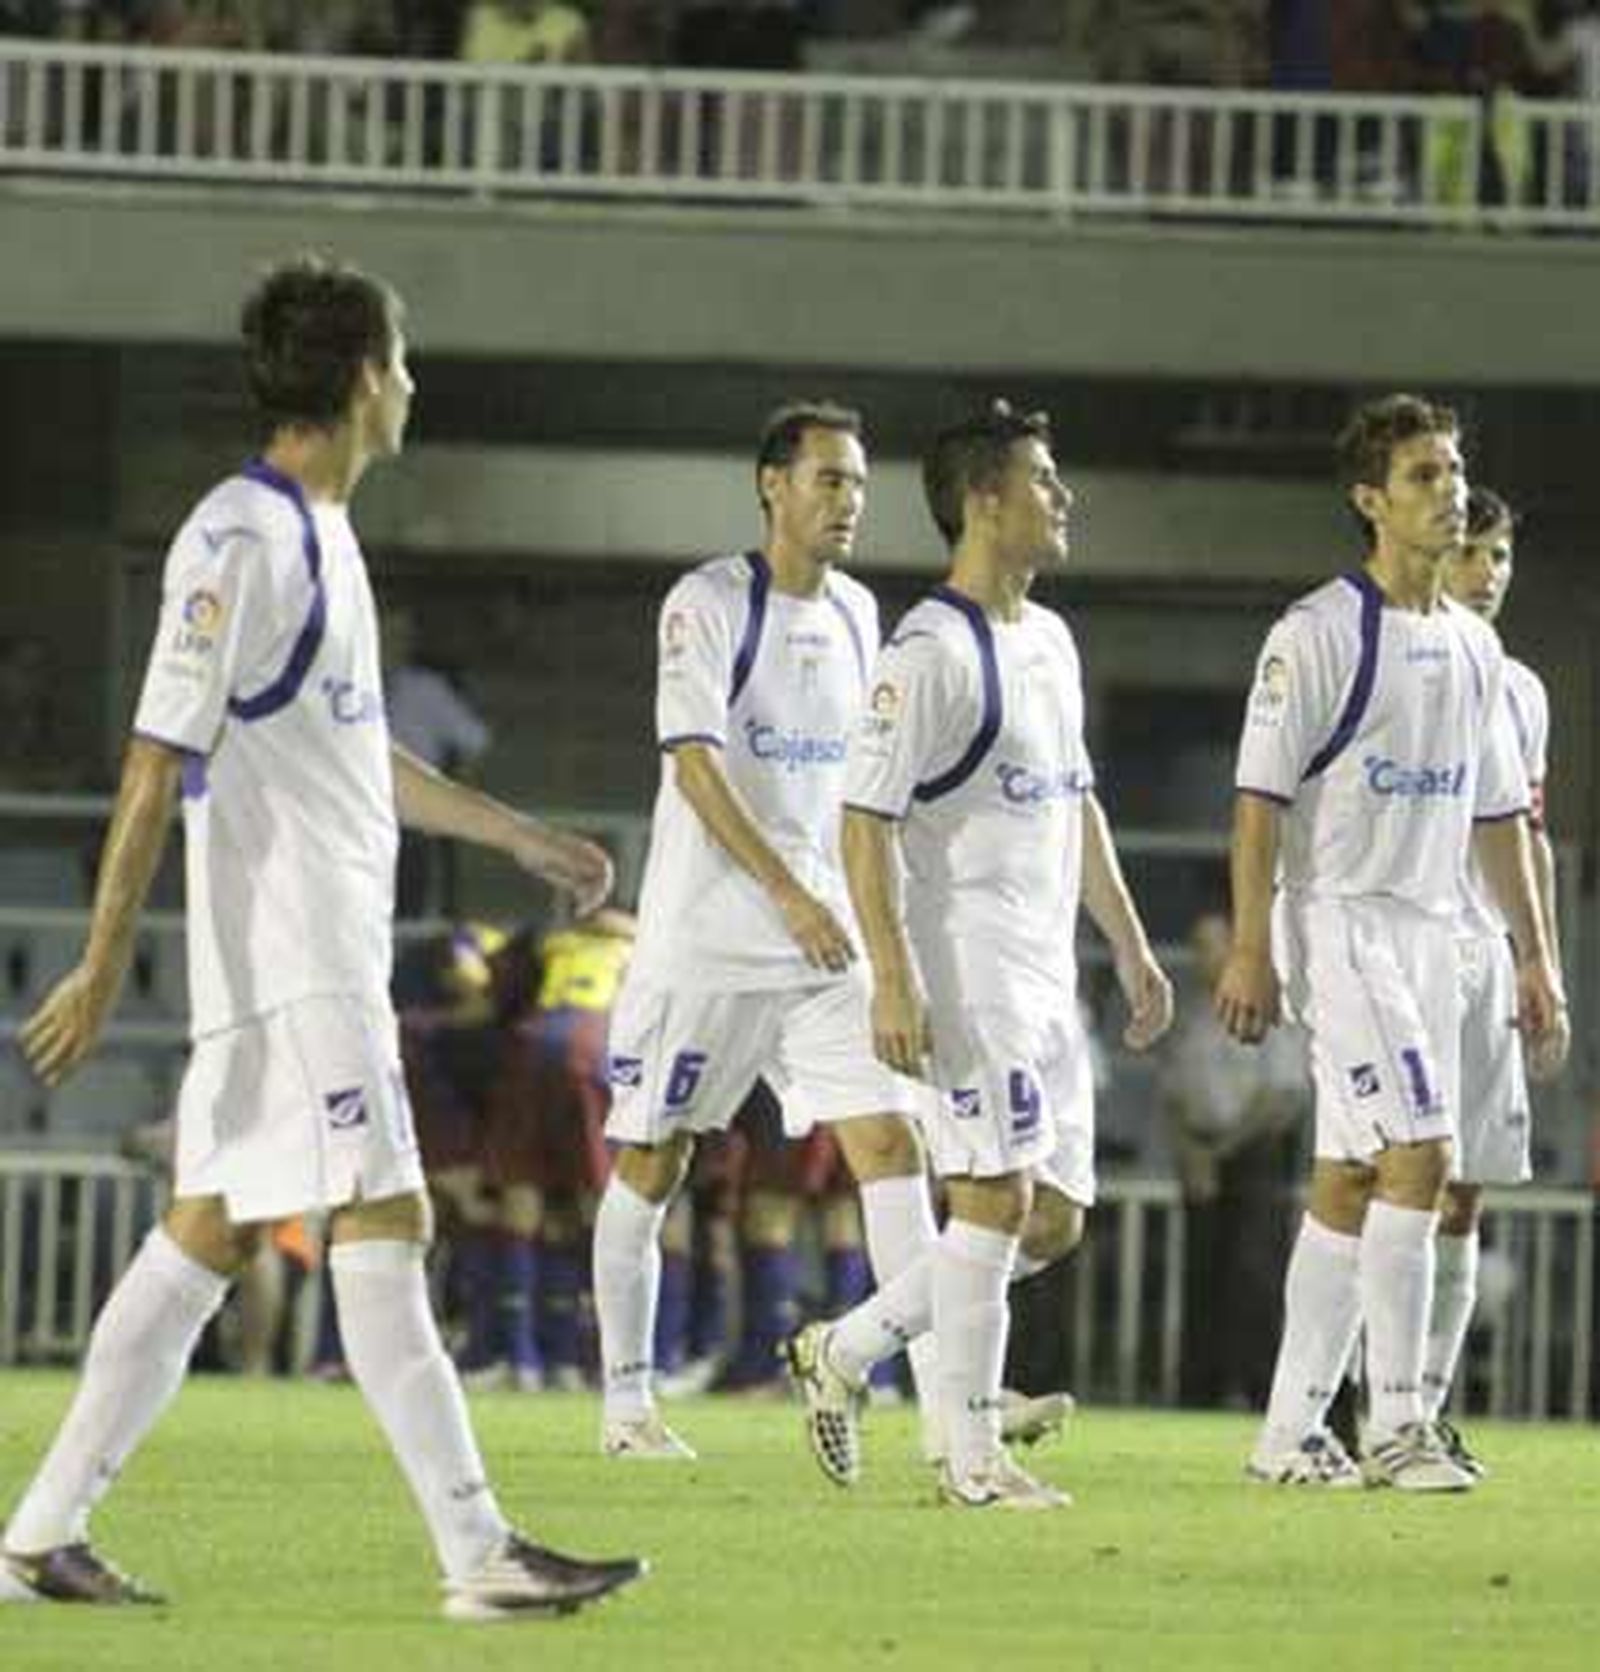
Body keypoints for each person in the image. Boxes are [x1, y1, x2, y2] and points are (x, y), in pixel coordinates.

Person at [0, 255, 644, 1619]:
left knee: (207, 1232)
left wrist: (522, 838)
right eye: (400, 365)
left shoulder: (318, 538)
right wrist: (105, 961)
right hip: (295, 961)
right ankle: (479, 1553)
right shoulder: (242, 538)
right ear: (362, 380)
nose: (410, 387)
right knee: (389, 1215)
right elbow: (150, 758)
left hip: (302, 959)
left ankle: (38, 1534)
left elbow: (360, 757)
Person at [785, 401, 1174, 1509]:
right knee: (994, 1198)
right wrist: (894, 978)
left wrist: (1131, 947)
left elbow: (1076, 801)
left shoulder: (1049, 640)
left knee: (1049, 1217)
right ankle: (969, 1458)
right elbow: (862, 821)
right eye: (1044, 481)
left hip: (1048, 972)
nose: (1063, 500)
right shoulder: (929, 650)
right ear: (984, 500)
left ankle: (847, 1351)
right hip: (967, 967)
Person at [1217, 393, 1567, 1492]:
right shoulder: (1316, 633)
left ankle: (1286, 1430)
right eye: (1422, 474)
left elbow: (1497, 816)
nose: (1448, 489)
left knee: (1349, 1175)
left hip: (1432, 932)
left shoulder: (1473, 647)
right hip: (1341, 918)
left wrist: (1533, 953)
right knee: (1423, 1153)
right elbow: (1258, 802)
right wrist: (1248, 945)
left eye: (1453, 469)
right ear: (1369, 499)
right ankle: (1400, 1422)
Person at [592, 400, 935, 1460]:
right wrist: (786, 889)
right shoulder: (707, 601)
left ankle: (946, 1398)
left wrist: (877, 923)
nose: (849, 502)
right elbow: (692, 764)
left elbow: (863, 783)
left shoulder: (858, 615)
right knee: (656, 1158)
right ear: (770, 485)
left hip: (824, 942)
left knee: (891, 1143)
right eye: (829, 479)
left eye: (860, 484)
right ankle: (626, 1404)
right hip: (711, 936)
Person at [1427, 484, 1567, 1471]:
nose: (1487, 573)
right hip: (1402, 951)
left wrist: (1540, 960)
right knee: (1392, 1180)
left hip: (1487, 958)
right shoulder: (1397, 660)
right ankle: (1354, 1397)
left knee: (1465, 1193)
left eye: (1501, 556)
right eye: (1472, 551)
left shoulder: (1521, 690)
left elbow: (1528, 838)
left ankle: (1424, 1405)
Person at [1159, 909, 1307, 1409]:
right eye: (1198, 946)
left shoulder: (1265, 1007)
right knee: (1201, 1280)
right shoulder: (1192, 1018)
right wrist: (1193, 1153)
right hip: (1202, 1160)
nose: (1203, 957)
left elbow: (1279, 1099)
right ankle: (1200, 1390)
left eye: (1212, 945)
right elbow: (1175, 1094)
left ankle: (1261, 1390)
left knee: (1255, 1277)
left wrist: (1219, 1153)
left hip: (1254, 1160)